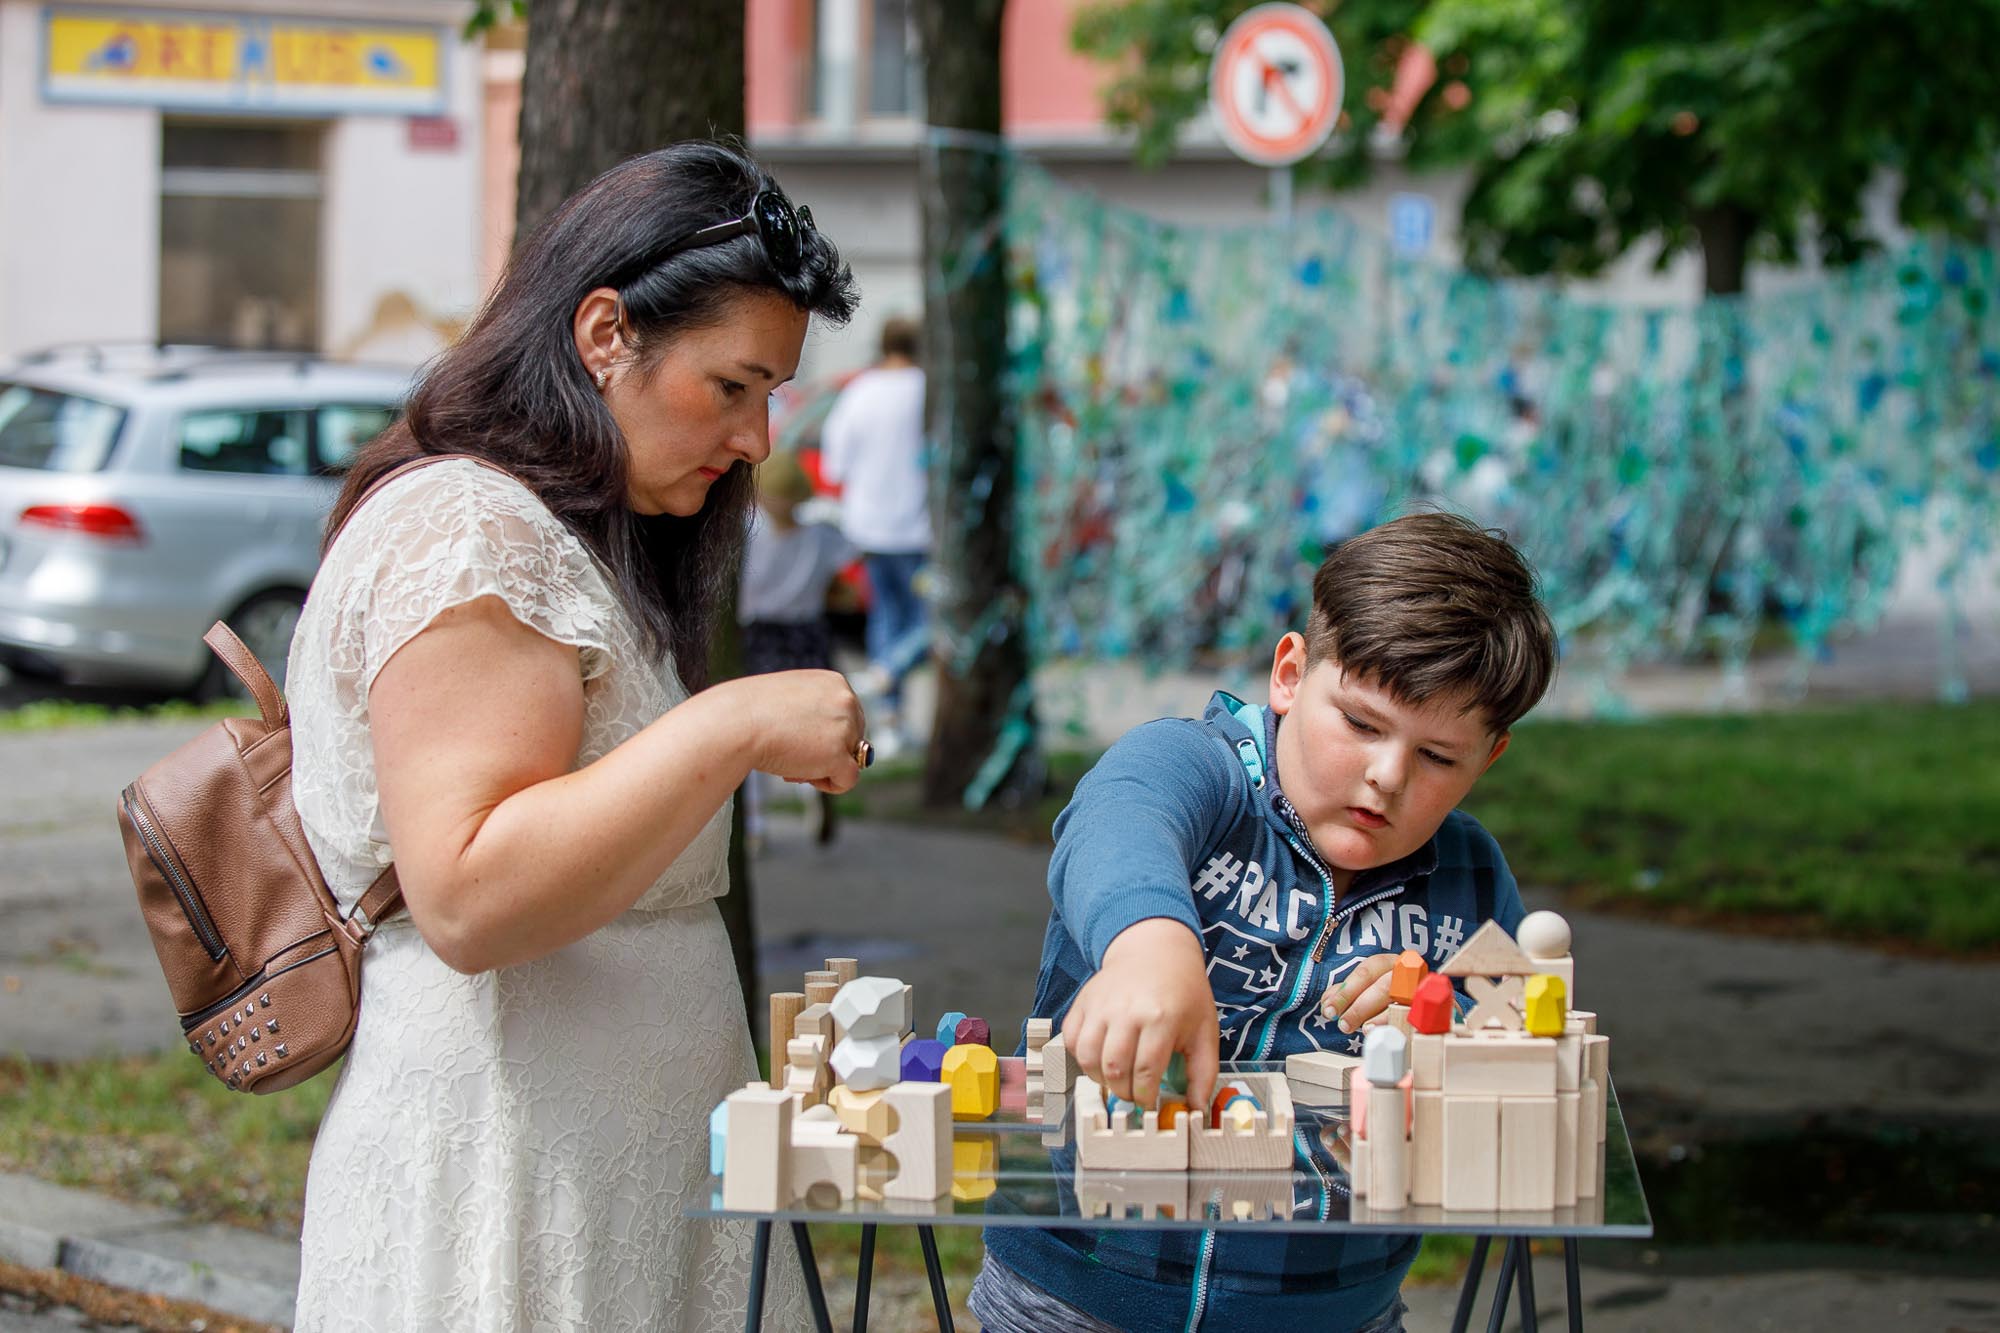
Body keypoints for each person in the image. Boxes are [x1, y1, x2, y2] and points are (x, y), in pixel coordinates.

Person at [284, 142, 862, 1332]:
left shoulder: (555, 530)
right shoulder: (468, 531)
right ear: (605, 333)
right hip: (516, 1188)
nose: (755, 439)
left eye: (770, 398)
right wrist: (736, 721)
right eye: (732, 386)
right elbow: (470, 896)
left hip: (603, 1186)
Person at [972, 511, 1559, 1333]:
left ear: (1488, 758)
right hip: (1079, 1287)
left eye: (1437, 757)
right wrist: (1149, 945)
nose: (1386, 776)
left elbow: (1518, 1051)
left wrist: (1448, 1027)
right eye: (1360, 723)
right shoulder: (1198, 770)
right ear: (1289, 672)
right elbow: (1118, 817)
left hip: (1330, 1310)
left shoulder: (1468, 876)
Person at [819, 314, 929, 753]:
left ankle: (889, 712)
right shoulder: (926, 390)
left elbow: (834, 461)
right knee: (927, 623)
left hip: (868, 526)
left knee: (886, 616)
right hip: (919, 528)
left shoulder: (860, 391)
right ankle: (890, 673)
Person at [740, 450, 858, 846]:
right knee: (810, 722)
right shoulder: (822, 537)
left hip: (759, 635)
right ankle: (815, 790)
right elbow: (846, 587)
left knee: (752, 729)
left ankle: (755, 824)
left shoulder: (746, 533)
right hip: (807, 634)